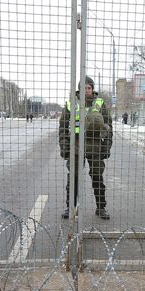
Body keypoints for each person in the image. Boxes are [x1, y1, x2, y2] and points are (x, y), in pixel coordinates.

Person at [59, 76, 113, 220]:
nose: (86, 90)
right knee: (73, 178)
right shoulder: (71, 104)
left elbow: (109, 126)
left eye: (89, 88)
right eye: (83, 88)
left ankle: (101, 208)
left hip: (96, 146)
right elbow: (63, 127)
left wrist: (107, 147)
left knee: (97, 177)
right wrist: (64, 147)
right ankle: (70, 208)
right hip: (75, 146)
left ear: (92, 89)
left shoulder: (100, 103)